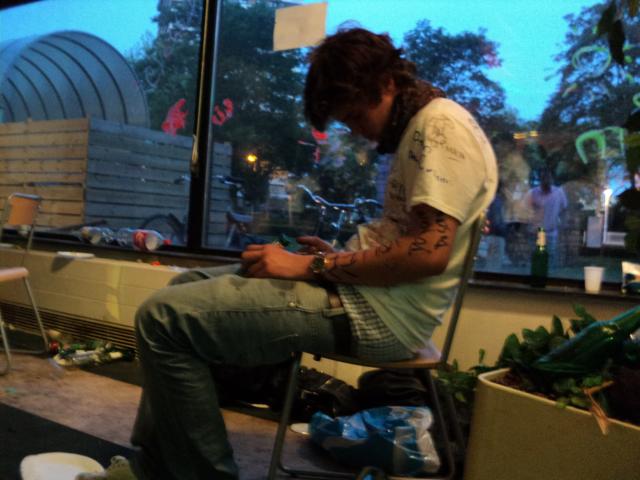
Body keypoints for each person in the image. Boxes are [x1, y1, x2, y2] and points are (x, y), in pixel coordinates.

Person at [77, 27, 497, 480]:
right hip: (370, 297)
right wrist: (335, 259)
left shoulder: (441, 128)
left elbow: (429, 253)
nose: (355, 129)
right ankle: (157, 468)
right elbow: (411, 240)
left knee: (163, 319)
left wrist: (313, 265)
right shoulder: (424, 125)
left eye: (356, 114)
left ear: (389, 82)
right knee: (182, 287)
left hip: (380, 316)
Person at [525, 168, 568, 268]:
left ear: (552, 179)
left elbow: (565, 209)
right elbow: (525, 211)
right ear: (540, 179)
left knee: (550, 259)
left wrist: (563, 224)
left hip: (551, 232)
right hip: (536, 232)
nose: (546, 180)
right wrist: (528, 226)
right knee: (537, 258)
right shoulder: (533, 193)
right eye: (544, 178)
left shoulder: (559, 192)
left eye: (548, 178)